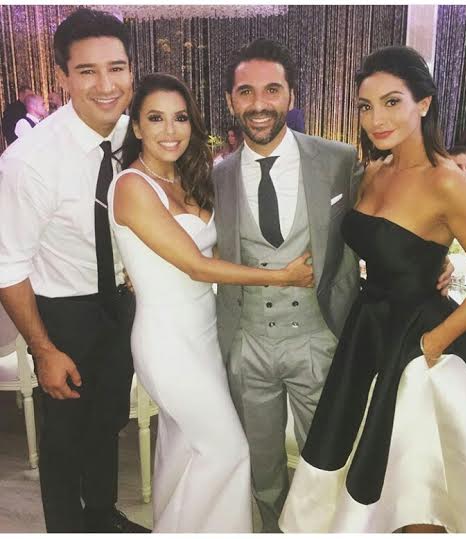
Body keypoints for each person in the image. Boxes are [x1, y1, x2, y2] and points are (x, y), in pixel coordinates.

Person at [213, 38, 453, 532]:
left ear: (291, 95)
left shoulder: (340, 160)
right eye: (245, 91)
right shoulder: (214, 177)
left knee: (329, 462)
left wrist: (431, 255)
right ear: (231, 100)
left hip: (322, 338)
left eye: (272, 89)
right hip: (246, 343)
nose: (259, 103)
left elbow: (388, 214)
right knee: (261, 466)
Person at [280, 45, 466, 533]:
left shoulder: (447, 181)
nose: (376, 118)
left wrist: (436, 340)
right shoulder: (374, 172)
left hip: (424, 351)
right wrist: (427, 257)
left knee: (417, 491)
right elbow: (384, 243)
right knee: (368, 477)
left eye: (392, 101)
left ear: (424, 102)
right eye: (366, 105)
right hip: (369, 332)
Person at [107, 73, 313, 532]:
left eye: (180, 118)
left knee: (186, 448)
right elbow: (196, 266)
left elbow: (220, 249)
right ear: (136, 127)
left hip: (205, 333)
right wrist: (281, 277)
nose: (170, 130)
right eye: (156, 118)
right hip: (167, 340)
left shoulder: (188, 178)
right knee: (227, 450)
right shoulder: (131, 186)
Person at [0, 9, 148, 533]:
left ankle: (102, 515)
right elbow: (8, 266)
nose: (106, 85)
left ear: (131, 70)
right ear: (63, 77)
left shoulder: (139, 136)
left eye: (116, 68)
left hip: (122, 303)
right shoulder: (30, 160)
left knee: (108, 421)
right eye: (87, 71)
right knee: (64, 436)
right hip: (63, 312)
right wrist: (43, 349)